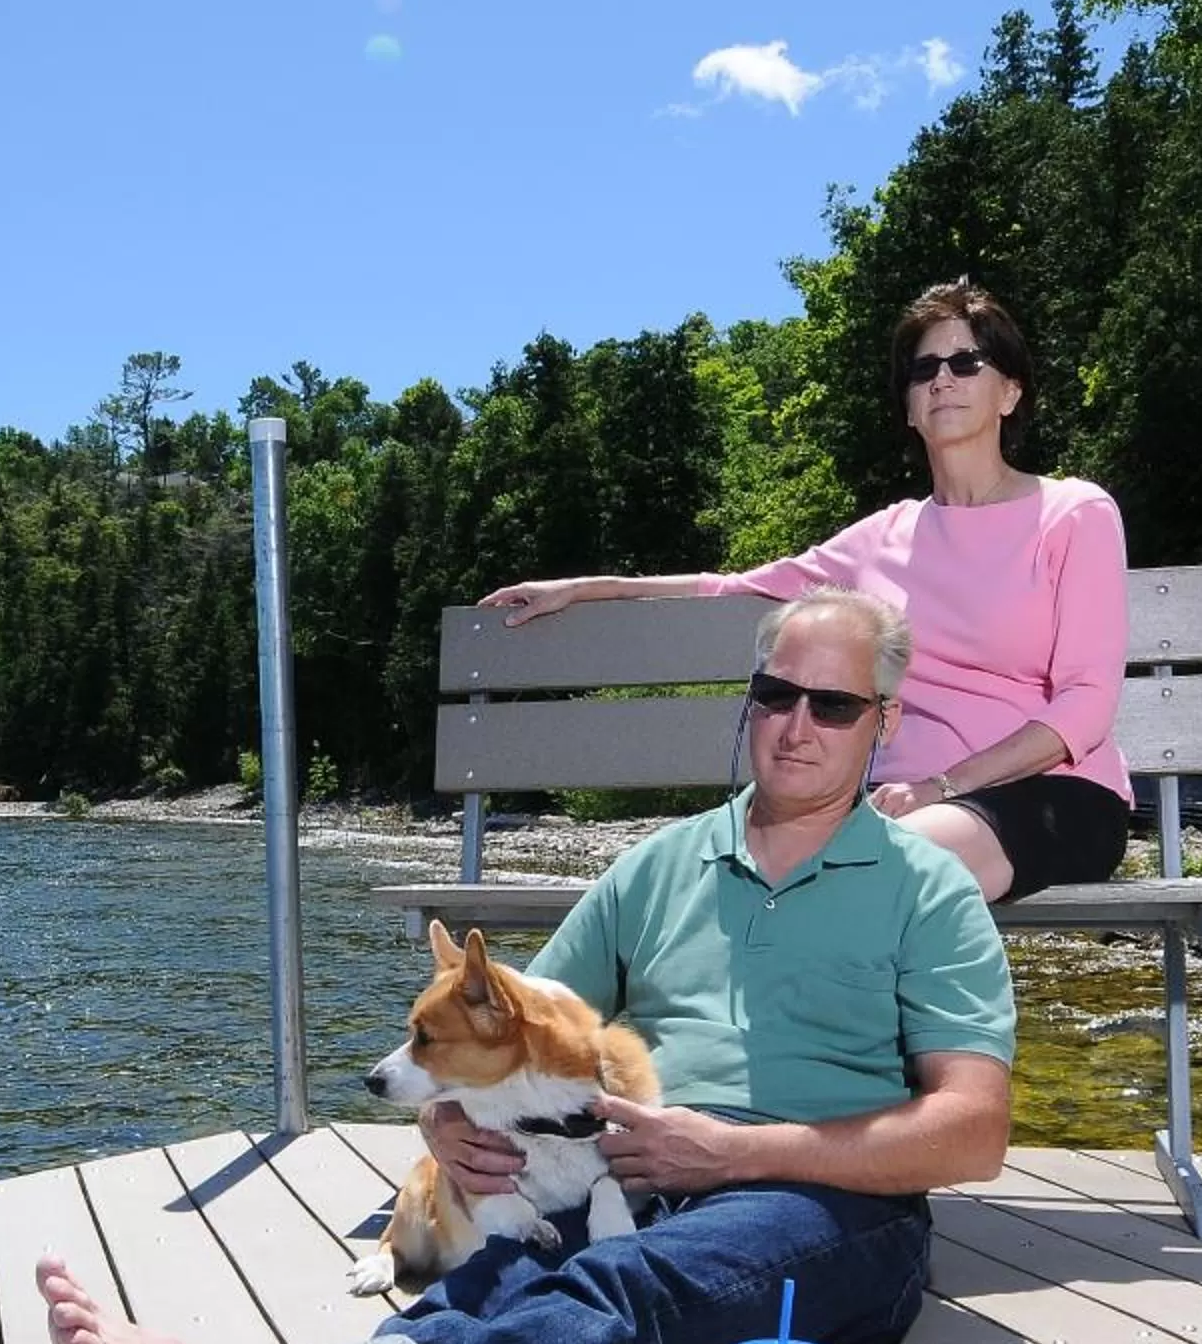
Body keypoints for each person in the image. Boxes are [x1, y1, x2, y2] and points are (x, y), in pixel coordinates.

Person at [35, 588, 1014, 1344]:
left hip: (831, 1206)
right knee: (501, 1278)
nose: (797, 724)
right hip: (633, 1170)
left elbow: (975, 1130)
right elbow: (502, 1033)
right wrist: (446, 1119)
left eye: (834, 705)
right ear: (749, 698)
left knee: (620, 1286)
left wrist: (734, 1153)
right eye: (777, 693)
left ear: (887, 722)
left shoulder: (926, 889)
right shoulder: (662, 867)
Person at [478, 280, 1131, 903]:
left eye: (966, 362)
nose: (942, 379)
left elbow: (1087, 704)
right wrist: (588, 586)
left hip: (1050, 795)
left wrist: (942, 786)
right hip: (886, 809)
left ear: (1009, 392)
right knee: (722, 882)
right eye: (923, 369)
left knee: (864, 870)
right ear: (908, 405)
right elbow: (733, 586)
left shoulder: (1072, 514)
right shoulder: (882, 538)